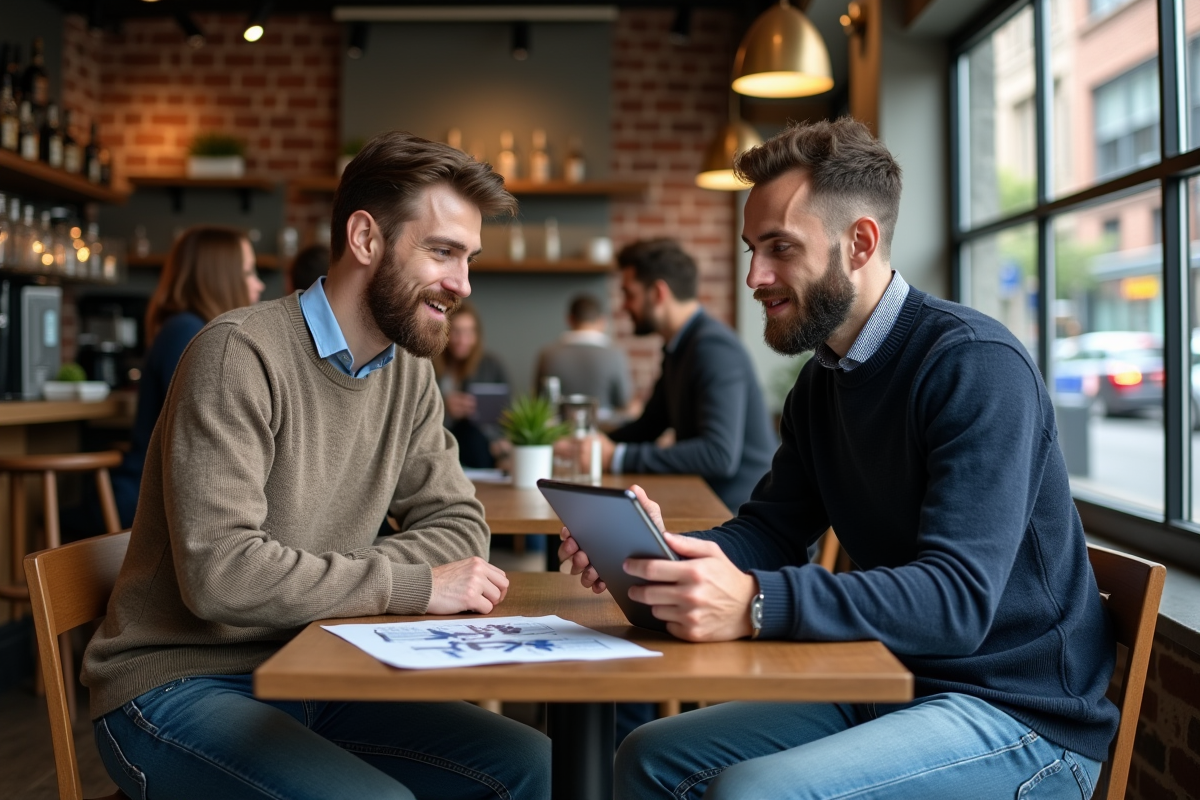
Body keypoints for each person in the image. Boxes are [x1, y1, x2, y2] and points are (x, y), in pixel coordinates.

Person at [559, 118, 1118, 799]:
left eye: (779, 248)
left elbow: (957, 599)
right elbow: (769, 530)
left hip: (1020, 717)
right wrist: (659, 552)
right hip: (893, 677)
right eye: (750, 249)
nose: (753, 277)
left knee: (752, 794)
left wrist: (758, 604)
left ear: (860, 242)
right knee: (647, 756)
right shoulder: (823, 382)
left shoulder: (974, 365)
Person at [83, 131, 550, 800]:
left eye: (469, 258)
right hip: (175, 686)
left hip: (318, 665)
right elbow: (223, 576)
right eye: (443, 252)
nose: (462, 284)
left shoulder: (409, 374)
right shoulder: (238, 355)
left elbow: (458, 525)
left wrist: (367, 581)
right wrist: (414, 584)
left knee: (537, 766)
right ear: (364, 239)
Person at [569, 238, 774, 513]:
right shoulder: (679, 347)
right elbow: (650, 425)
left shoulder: (713, 348)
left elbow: (718, 455)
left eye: (629, 294)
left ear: (658, 293)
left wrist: (615, 456)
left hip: (743, 520)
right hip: (707, 506)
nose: (623, 306)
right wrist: (592, 446)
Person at [109, 225, 265, 527]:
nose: (258, 285)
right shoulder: (186, 331)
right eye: (248, 272)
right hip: (149, 504)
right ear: (219, 279)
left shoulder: (189, 329)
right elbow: (211, 427)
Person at [432, 301, 510, 469]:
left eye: (468, 332)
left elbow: (506, 416)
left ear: (477, 335)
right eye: (456, 332)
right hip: (439, 444)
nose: (462, 340)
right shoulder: (429, 365)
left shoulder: (491, 366)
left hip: (482, 449)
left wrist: (500, 442)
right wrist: (444, 409)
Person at [534, 293, 634, 420]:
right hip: (603, 432)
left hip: (560, 433)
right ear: (602, 321)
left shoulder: (547, 354)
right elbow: (623, 403)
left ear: (569, 319)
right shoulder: (615, 354)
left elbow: (539, 403)